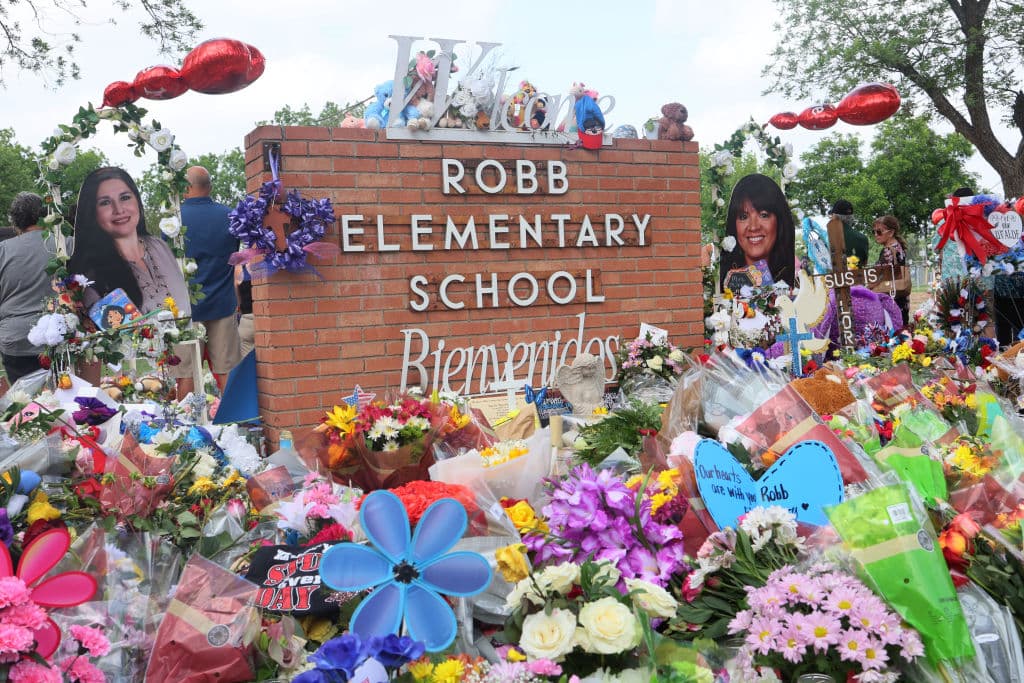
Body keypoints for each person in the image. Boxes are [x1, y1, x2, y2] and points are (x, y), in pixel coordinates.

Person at [68, 167, 195, 396]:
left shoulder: (159, 247)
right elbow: (103, 347)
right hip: (127, 391)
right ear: (93, 212)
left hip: (181, 381)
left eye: (125, 197)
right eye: (105, 203)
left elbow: (184, 318)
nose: (119, 210)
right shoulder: (88, 274)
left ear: (137, 201)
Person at [181, 166, 242, 389]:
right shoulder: (230, 217)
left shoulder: (174, 220)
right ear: (210, 187)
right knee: (227, 370)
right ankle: (234, 421)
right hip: (222, 303)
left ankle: (181, 423)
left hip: (186, 309)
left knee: (185, 372)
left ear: (185, 188)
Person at [0, 193, 63, 383]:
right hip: (60, 338)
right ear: (46, 217)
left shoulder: (3, 250)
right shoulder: (64, 246)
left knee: (26, 408)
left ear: (15, 222)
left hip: (15, 340)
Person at [719, 173, 796, 290]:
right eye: (743, 217)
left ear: (779, 221)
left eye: (764, 215)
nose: (753, 227)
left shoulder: (799, 284)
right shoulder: (717, 284)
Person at [869, 215, 910, 325]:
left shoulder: (887, 251)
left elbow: (878, 277)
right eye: (874, 232)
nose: (876, 235)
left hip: (891, 300)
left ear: (891, 232)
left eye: (879, 232)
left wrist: (866, 287)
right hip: (901, 298)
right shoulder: (898, 247)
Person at [830, 199, 868, 266]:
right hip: (857, 275)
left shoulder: (825, 237)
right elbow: (864, 263)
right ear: (851, 217)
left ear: (835, 216)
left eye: (831, 215)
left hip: (831, 276)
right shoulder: (862, 238)